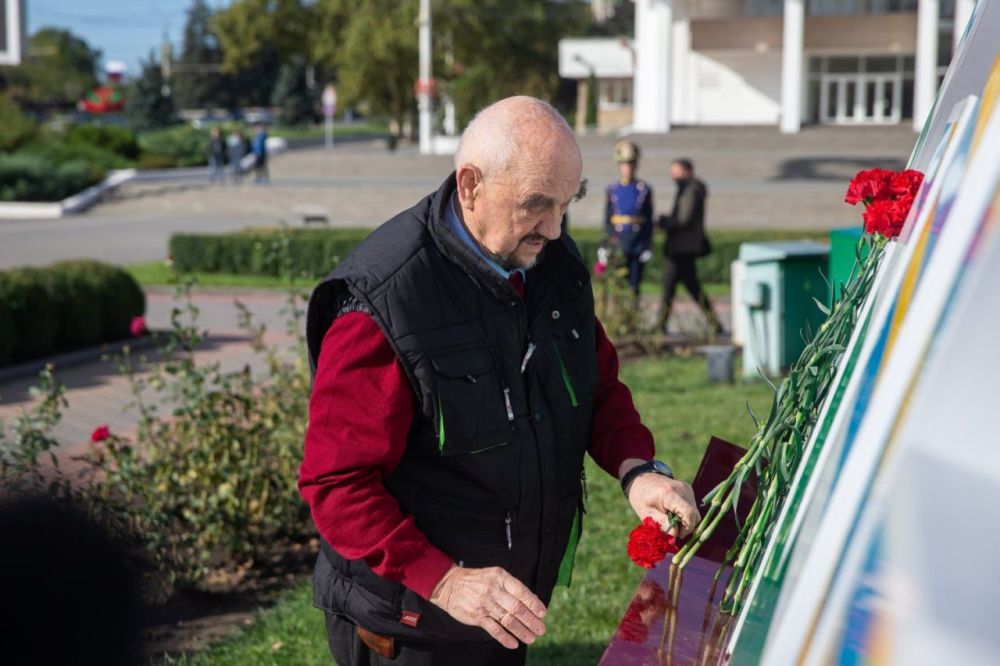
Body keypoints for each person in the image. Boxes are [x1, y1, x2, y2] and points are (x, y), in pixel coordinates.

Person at [299, 96, 701, 666]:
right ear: (470, 186)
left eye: (568, 203)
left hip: (501, 612)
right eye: (537, 205)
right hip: (410, 626)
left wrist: (637, 470)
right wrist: (443, 582)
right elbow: (336, 482)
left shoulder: (548, 259)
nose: (556, 228)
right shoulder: (384, 304)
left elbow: (597, 384)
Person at [656, 158, 724, 336]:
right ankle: (714, 323)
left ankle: (660, 325)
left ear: (688, 171)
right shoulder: (688, 189)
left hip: (682, 248)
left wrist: (665, 222)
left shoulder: (691, 189)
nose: (673, 175)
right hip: (682, 247)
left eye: (676, 171)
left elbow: (683, 218)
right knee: (686, 287)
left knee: (673, 286)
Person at [603, 140, 654, 299]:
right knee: (617, 284)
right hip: (618, 241)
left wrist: (647, 244)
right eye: (624, 164)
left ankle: (632, 318)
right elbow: (607, 219)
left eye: (631, 164)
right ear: (619, 166)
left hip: (637, 242)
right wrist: (604, 244)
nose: (628, 168)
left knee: (635, 285)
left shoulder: (644, 189)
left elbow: (648, 219)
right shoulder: (612, 189)